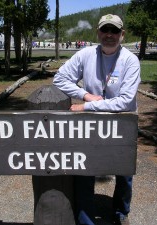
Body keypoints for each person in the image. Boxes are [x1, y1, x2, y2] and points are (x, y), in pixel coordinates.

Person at [53, 14, 141, 225]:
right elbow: (59, 79)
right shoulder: (85, 54)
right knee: (84, 169)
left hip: (122, 123)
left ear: (122, 34)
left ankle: (120, 212)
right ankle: (85, 219)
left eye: (114, 31)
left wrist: (87, 105)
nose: (109, 35)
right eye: (105, 30)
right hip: (90, 124)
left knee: (124, 171)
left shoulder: (130, 60)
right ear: (98, 32)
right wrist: (85, 94)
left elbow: (125, 102)